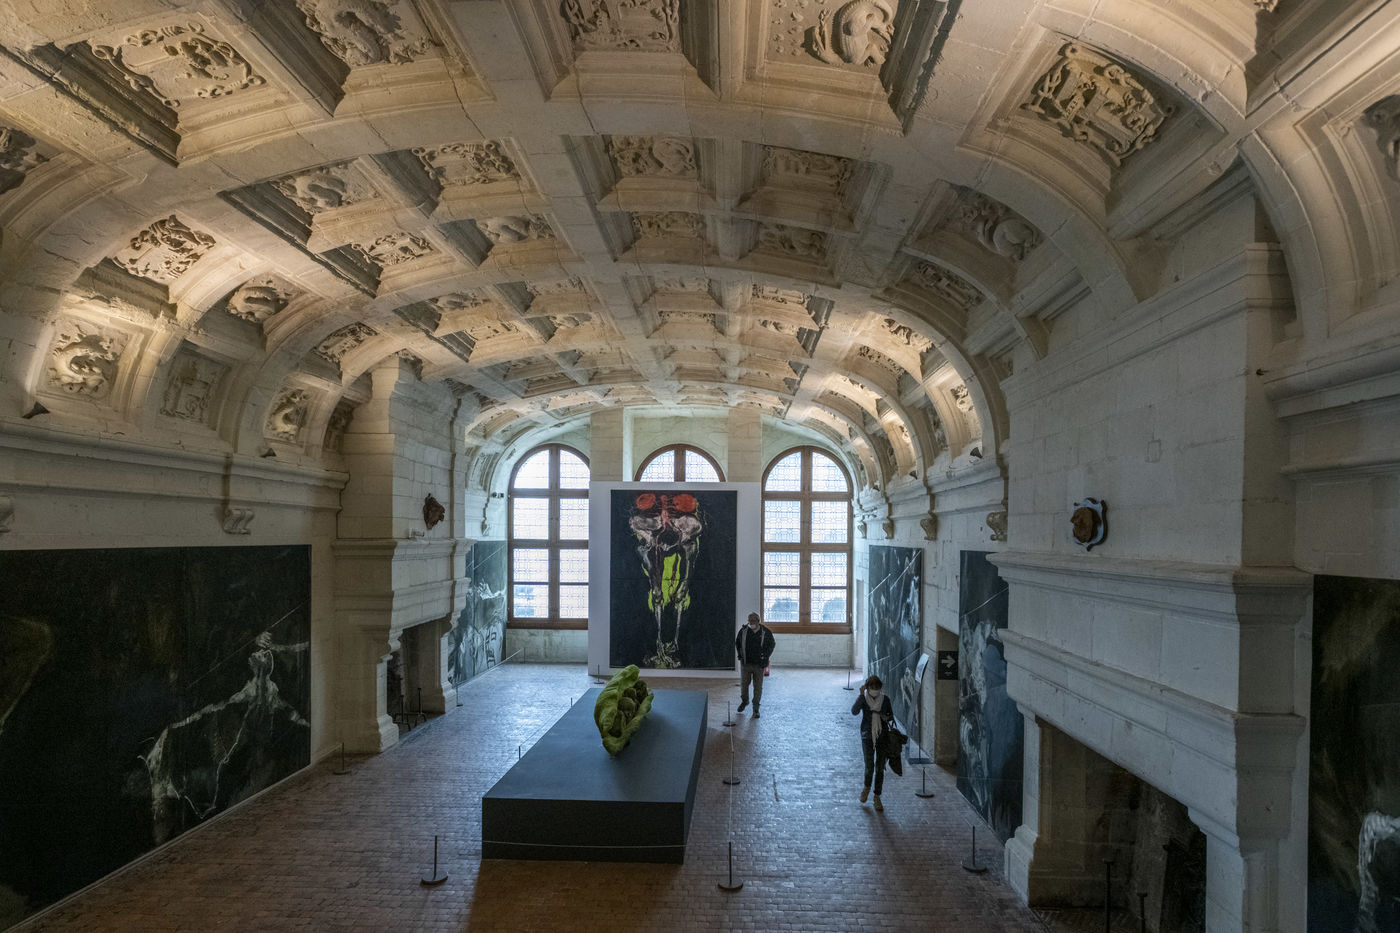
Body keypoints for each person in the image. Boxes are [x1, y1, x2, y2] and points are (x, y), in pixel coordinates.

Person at [852, 675, 893, 811]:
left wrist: (885, 717)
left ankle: (877, 796)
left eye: (877, 688)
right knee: (869, 766)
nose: (875, 690)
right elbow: (854, 711)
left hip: (882, 737)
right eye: (872, 687)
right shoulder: (864, 699)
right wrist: (860, 695)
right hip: (867, 736)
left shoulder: (885, 700)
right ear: (867, 688)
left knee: (880, 768)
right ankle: (866, 788)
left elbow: (891, 715)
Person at [734, 611, 775, 718]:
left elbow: (772, 644)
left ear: (758, 621)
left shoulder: (766, 632)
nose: (751, 623)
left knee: (758, 687)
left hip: (759, 665)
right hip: (746, 664)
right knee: (744, 685)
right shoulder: (743, 631)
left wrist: (765, 656)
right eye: (750, 621)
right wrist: (740, 655)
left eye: (753, 621)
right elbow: (737, 643)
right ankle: (745, 701)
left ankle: (756, 708)